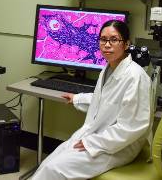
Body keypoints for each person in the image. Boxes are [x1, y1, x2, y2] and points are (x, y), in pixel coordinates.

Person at [32, 20, 152, 180]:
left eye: (114, 39)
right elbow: (103, 99)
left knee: (55, 170)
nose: (107, 44)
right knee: (49, 162)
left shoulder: (135, 77)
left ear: (126, 44)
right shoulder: (109, 68)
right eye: (103, 39)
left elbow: (132, 127)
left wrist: (93, 143)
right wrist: (77, 98)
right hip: (98, 136)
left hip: (118, 147)